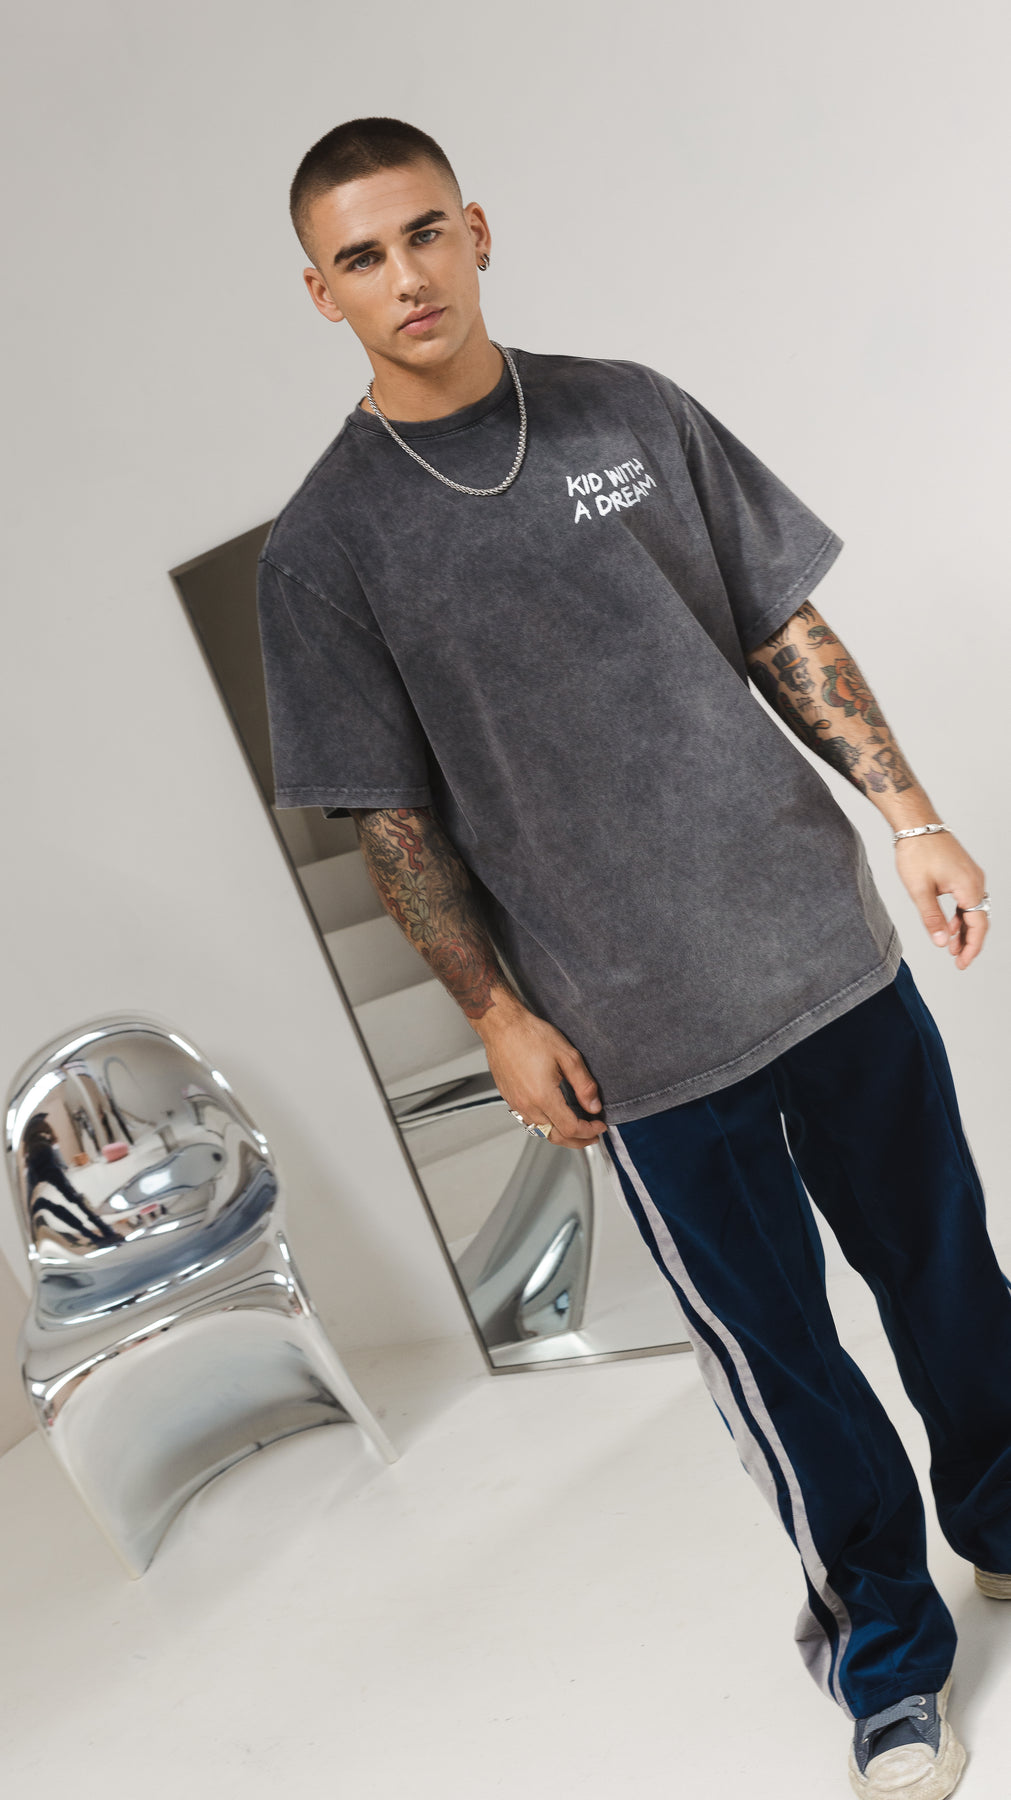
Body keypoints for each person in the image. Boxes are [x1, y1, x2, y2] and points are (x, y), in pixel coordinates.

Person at [255, 115, 1005, 1799]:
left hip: (822, 949)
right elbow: (390, 821)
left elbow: (778, 623)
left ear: (478, 232)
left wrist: (913, 815)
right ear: (321, 294)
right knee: (781, 1364)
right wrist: (497, 1015)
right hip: (636, 1031)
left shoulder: (628, 411)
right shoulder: (327, 547)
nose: (405, 275)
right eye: (361, 256)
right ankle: (890, 1663)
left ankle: (1009, 1520)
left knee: (948, 1266)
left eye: (424, 232)